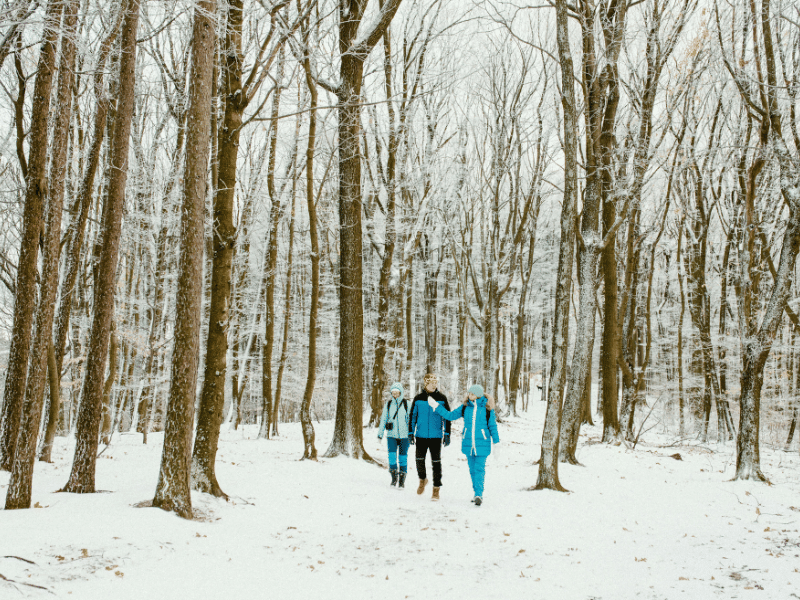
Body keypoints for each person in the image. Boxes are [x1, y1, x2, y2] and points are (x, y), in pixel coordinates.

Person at [427, 384, 499, 506]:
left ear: (478, 395)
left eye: (472, 394)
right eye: (469, 393)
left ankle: (479, 494)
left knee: (479, 469)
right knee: (472, 470)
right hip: (468, 444)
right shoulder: (465, 408)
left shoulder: (487, 409)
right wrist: (437, 406)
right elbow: (450, 416)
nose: (469, 395)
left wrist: (496, 443)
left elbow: (493, 427)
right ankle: (476, 493)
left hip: (483, 444)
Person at [409, 373, 450, 501]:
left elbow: (447, 417)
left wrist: (447, 433)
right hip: (420, 435)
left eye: (435, 383)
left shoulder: (441, 398)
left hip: (436, 436)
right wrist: (410, 432)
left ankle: (436, 489)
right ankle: (423, 479)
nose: (434, 385)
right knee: (419, 460)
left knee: (436, 463)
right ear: (426, 384)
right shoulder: (418, 398)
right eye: (431, 383)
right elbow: (412, 416)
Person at [377, 382, 410, 488]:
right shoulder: (389, 404)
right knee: (391, 457)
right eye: (393, 392)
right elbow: (383, 419)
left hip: (405, 436)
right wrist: (380, 434)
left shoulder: (407, 404)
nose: (395, 394)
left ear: (401, 392)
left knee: (402, 458)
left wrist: (412, 433)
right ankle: (394, 478)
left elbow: (412, 420)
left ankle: (402, 480)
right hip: (391, 435)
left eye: (397, 392)